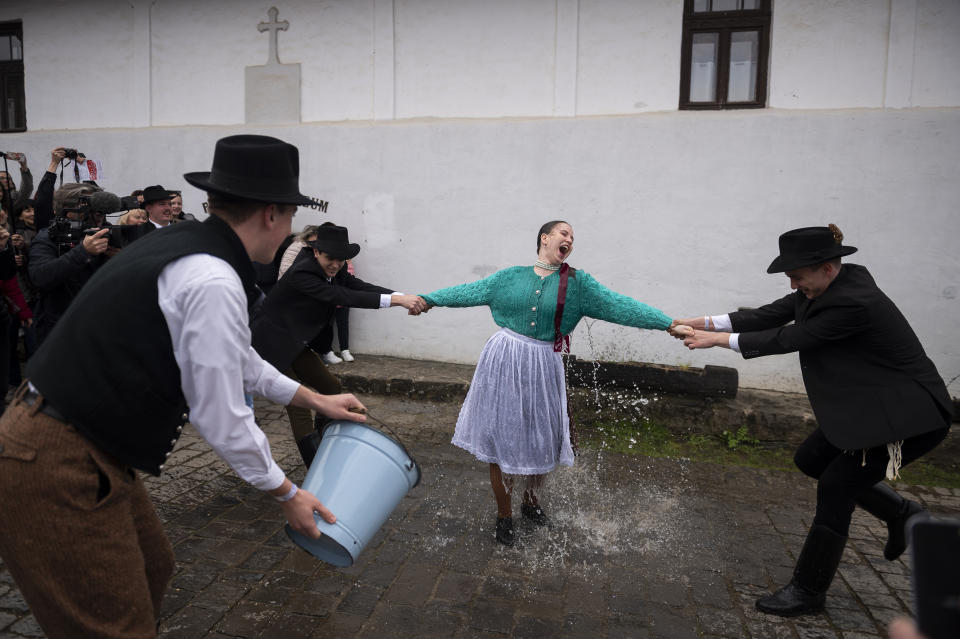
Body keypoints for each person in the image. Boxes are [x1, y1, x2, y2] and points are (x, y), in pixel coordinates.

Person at [0, 134, 368, 637]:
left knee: (155, 566)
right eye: (290, 218)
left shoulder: (195, 250)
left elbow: (237, 358)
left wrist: (313, 397)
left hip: (87, 447)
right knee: (116, 623)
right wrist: (285, 491)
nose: (292, 233)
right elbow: (219, 413)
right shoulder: (211, 276)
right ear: (270, 215)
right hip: (53, 456)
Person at [676, 224, 953, 617]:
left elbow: (791, 338)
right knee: (812, 459)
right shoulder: (829, 285)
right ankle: (903, 514)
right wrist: (703, 321)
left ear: (826, 267)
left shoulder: (855, 301)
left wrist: (716, 341)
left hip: (909, 416)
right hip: (871, 409)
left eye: (797, 275)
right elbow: (770, 315)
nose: (793, 283)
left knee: (838, 484)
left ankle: (808, 590)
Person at [418, 220, 678, 546]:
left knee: (543, 436)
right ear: (545, 238)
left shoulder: (578, 285)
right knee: (501, 437)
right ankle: (504, 514)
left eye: (572, 236)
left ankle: (530, 502)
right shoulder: (510, 276)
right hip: (503, 361)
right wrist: (429, 298)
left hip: (543, 365)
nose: (569, 238)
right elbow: (469, 291)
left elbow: (619, 305)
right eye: (563, 233)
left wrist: (667, 323)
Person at [251, 223, 424, 466]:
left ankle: (326, 438)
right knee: (298, 402)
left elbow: (357, 286)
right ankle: (317, 468)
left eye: (341, 260)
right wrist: (398, 301)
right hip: (270, 343)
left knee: (331, 387)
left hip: (294, 342)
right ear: (316, 252)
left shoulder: (334, 269)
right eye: (330, 258)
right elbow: (342, 296)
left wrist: (403, 297)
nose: (335, 264)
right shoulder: (303, 273)